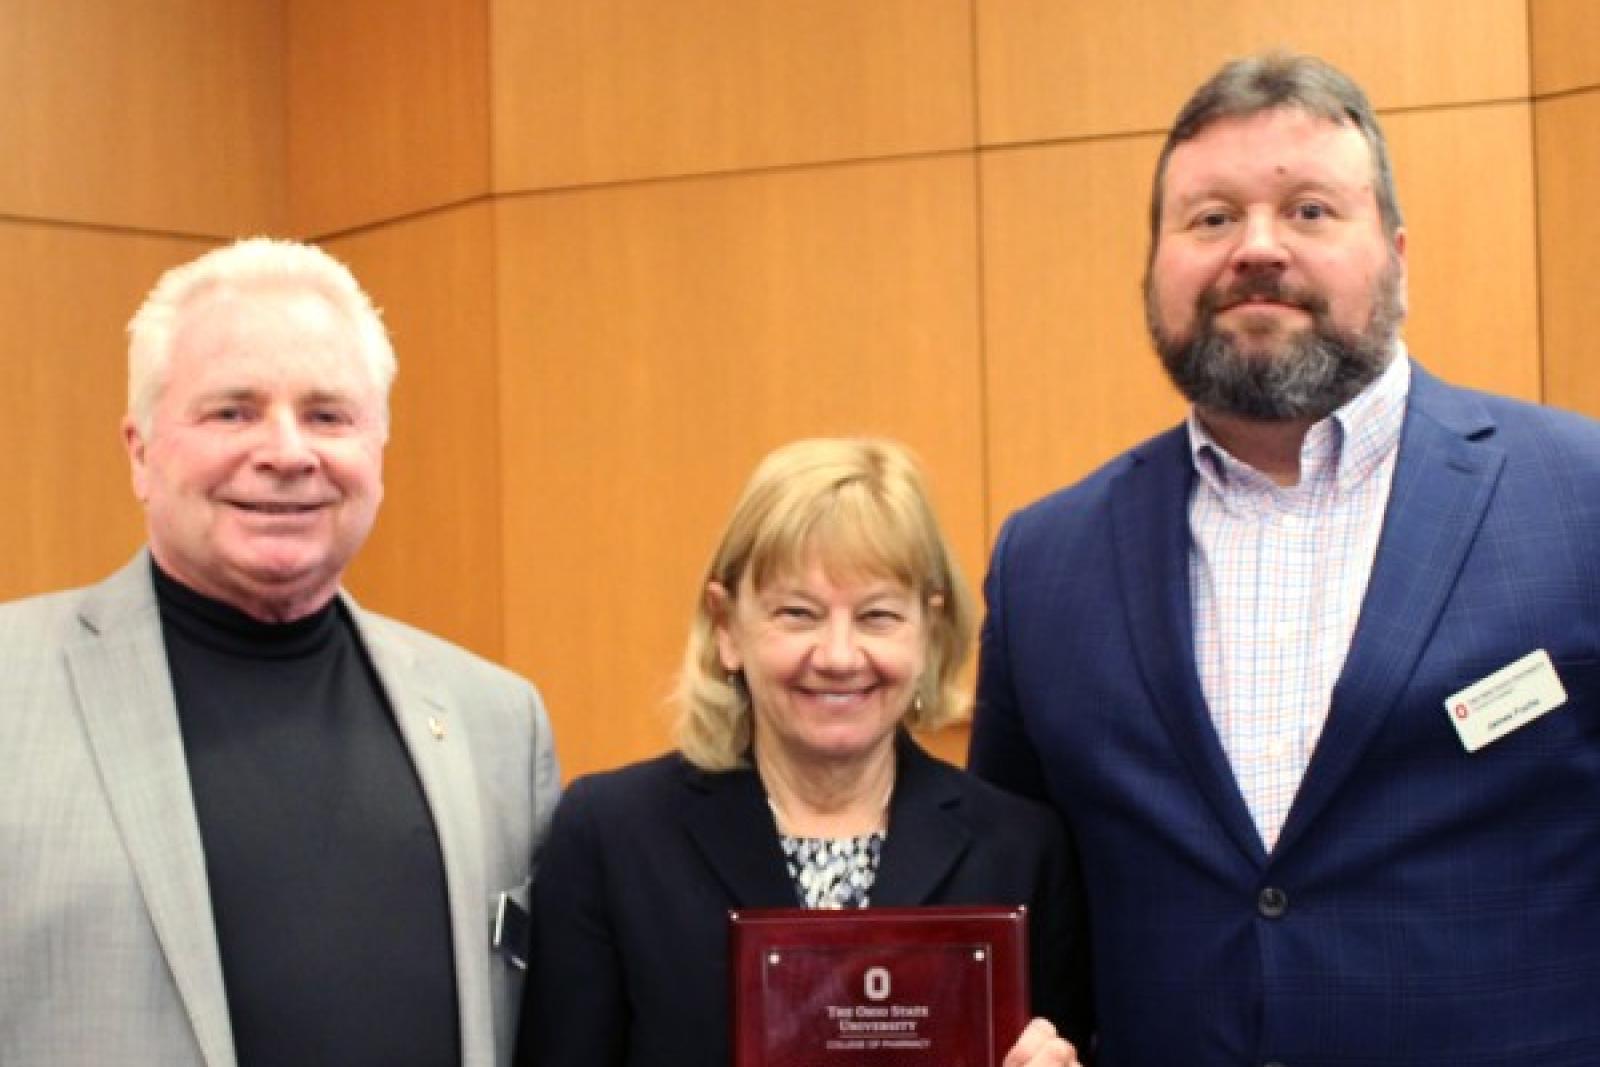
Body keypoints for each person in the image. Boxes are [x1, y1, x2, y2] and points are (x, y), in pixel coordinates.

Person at [969, 49, 1600, 1066]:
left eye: (1309, 210)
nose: (1256, 249)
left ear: (1396, 254)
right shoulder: (1045, 561)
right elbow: (1020, 900)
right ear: (1152, 268)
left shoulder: (1581, 499)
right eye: (1210, 218)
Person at [0, 238, 560, 1067]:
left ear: (377, 450)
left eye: (328, 415)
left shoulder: (496, 721)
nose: (288, 451)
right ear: (139, 450)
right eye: (233, 411)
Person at [517, 438, 1091, 1067]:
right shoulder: (611, 835)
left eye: (876, 616)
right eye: (798, 614)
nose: (839, 656)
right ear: (727, 626)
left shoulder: (1021, 848)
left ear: (928, 630)